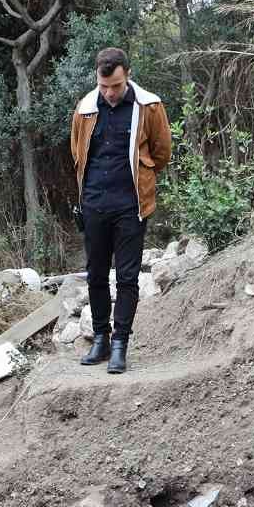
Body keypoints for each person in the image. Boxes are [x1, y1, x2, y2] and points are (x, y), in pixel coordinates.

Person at [69, 46, 172, 375]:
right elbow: (78, 153)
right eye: (104, 87)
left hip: (131, 205)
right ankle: (101, 337)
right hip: (94, 204)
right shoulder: (85, 109)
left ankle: (120, 345)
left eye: (115, 85)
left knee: (127, 278)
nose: (110, 93)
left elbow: (162, 152)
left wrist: (141, 176)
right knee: (96, 275)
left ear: (127, 74)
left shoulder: (149, 106)